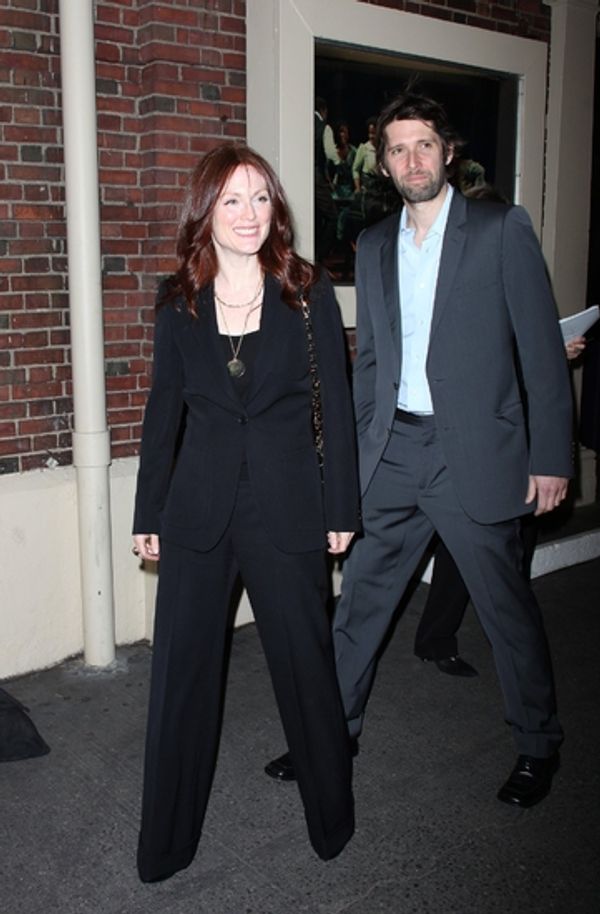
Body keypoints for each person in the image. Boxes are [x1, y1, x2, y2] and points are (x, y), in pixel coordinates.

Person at [266, 91, 573, 810]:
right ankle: (330, 735)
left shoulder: (500, 229)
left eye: (424, 145)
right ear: (385, 163)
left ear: (448, 152)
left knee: (505, 612)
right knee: (361, 606)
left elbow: (540, 353)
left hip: (476, 453)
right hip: (395, 452)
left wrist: (551, 456)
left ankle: (538, 744)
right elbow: (368, 363)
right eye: (398, 148)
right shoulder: (373, 245)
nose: (411, 160)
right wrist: (355, 459)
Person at [132, 143, 360, 883]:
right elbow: (163, 411)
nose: (249, 213)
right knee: (181, 678)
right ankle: (167, 842)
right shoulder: (179, 302)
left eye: (261, 197)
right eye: (232, 199)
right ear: (206, 210)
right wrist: (149, 508)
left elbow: (339, 411)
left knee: (307, 668)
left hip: (288, 508)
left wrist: (341, 506)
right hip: (197, 511)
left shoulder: (307, 292)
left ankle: (332, 820)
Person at [417, 337, 585, 678]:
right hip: (483, 435)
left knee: (521, 541)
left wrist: (552, 353)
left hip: (523, 434)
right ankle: (436, 639)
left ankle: (512, 641)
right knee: (463, 545)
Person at [314, 97, 339, 263]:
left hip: (303, 174)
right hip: (316, 175)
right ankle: (321, 257)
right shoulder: (324, 128)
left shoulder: (304, 124)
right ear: (324, 110)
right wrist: (340, 164)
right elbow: (331, 155)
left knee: (315, 215)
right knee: (332, 216)